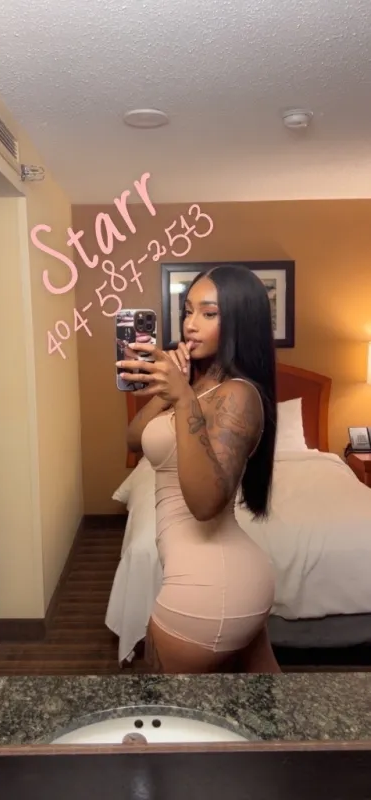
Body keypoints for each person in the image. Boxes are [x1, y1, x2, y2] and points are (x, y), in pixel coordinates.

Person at [116, 264, 281, 674]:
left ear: (240, 321)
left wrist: (184, 398)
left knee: (168, 710)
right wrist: (174, 388)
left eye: (209, 314)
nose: (190, 324)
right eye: (188, 311)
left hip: (208, 589)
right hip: (227, 580)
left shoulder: (238, 395)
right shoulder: (199, 385)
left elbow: (205, 504)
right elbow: (134, 439)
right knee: (269, 705)